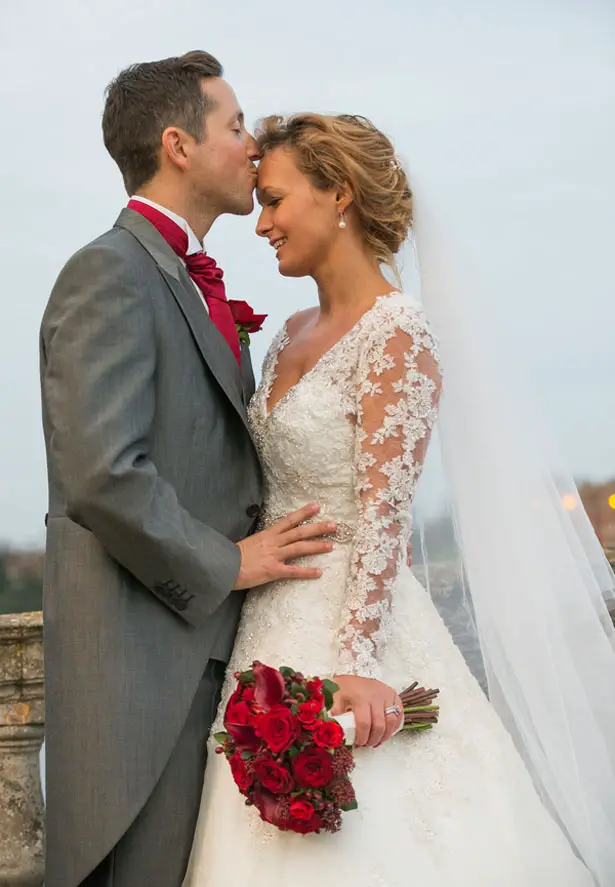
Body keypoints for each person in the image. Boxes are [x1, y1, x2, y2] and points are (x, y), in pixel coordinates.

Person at [181, 114, 602, 886]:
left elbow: (383, 517)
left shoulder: (396, 331)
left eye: (274, 201)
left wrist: (354, 667)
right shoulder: (289, 333)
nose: (262, 223)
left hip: (353, 635)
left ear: (338, 192)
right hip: (265, 634)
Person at [39, 55, 334, 887]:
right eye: (235, 126)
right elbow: (102, 472)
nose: (251, 146)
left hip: (218, 659)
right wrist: (228, 561)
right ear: (177, 144)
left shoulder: (183, 274)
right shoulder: (110, 272)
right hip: (144, 678)